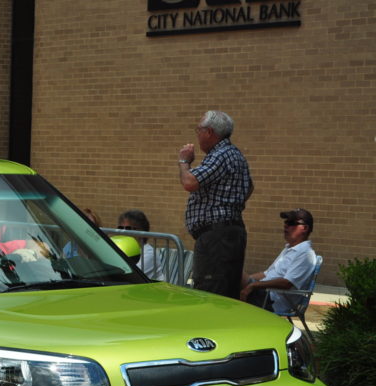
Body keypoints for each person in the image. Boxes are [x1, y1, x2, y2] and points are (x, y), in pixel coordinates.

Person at [178, 110, 254, 299]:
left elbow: (190, 182)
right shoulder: (233, 154)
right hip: (227, 234)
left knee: (211, 292)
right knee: (224, 291)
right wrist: (230, 204)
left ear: (209, 132)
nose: (197, 134)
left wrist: (184, 161)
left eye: (199, 130)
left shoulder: (221, 154)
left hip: (217, 237)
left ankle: (212, 327)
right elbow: (249, 187)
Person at [240, 208, 317, 312]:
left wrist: (253, 285)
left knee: (230, 272)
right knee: (231, 274)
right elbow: (267, 274)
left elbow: (287, 283)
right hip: (263, 293)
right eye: (286, 222)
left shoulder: (305, 254)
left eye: (291, 223)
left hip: (271, 300)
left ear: (305, 228)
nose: (286, 225)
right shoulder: (289, 249)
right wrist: (247, 279)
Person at [117, 209, 165, 280]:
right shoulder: (122, 249)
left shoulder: (149, 253)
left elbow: (130, 276)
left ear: (142, 231)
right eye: (121, 228)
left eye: (128, 228)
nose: (123, 232)